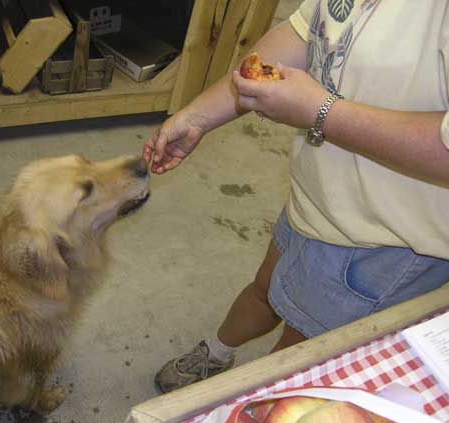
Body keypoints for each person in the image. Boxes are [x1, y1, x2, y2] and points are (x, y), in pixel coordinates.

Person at [144, 0, 449, 394]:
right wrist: (198, 116)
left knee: (294, 357)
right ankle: (217, 352)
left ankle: (246, 402)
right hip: (319, 199)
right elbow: (305, 33)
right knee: (264, 290)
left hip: (384, 243)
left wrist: (322, 112)